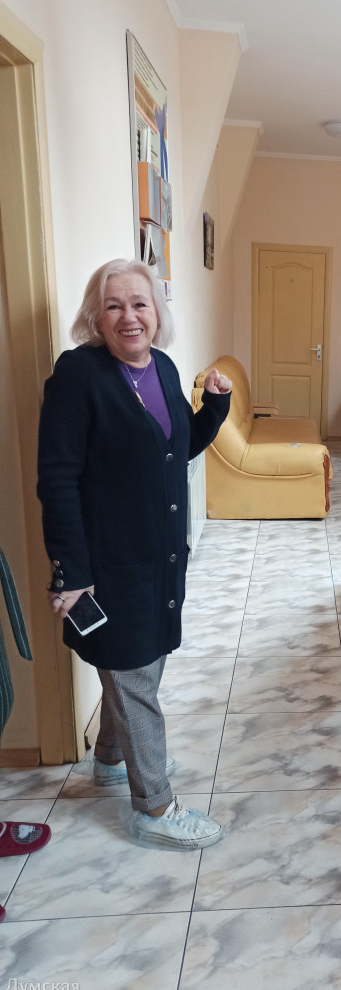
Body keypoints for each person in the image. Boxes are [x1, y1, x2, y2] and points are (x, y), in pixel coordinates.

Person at [37, 258, 232, 850]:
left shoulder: (163, 368)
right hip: (108, 563)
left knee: (137, 661)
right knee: (133, 673)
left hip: (161, 557)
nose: (129, 317)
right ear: (96, 317)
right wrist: (72, 572)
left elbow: (175, 448)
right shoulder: (78, 376)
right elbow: (57, 479)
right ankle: (155, 807)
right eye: (114, 305)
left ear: (156, 312)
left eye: (140, 304)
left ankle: (110, 759)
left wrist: (213, 410)